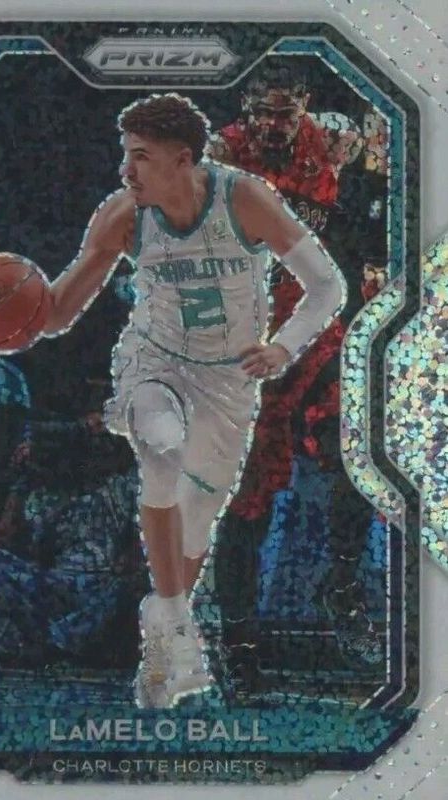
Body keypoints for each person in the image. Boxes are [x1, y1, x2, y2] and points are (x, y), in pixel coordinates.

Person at [41, 93, 344, 708]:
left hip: (228, 380)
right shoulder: (122, 216)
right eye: (126, 155)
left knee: (198, 520)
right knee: (161, 443)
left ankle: (165, 626)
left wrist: (283, 348)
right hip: (152, 360)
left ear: (183, 160)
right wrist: (4, 313)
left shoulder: (245, 199)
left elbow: (327, 285)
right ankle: (178, 628)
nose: (126, 170)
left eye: (141, 157)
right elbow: (57, 313)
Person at [210, 64, 384, 690]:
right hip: (247, 351)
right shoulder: (220, 156)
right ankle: (238, 641)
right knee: (247, 503)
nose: (273, 125)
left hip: (316, 336)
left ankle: (341, 580)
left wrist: (374, 162)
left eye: (284, 113)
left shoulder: (335, 143)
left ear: (303, 108)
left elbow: (383, 174)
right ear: (247, 110)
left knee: (358, 446)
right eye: (262, 113)